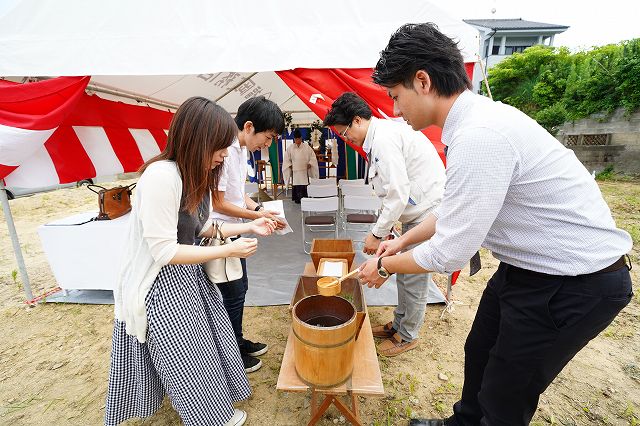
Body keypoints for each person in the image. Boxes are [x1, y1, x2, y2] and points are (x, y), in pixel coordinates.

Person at [358, 23, 633, 426]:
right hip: (527, 269)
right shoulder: (472, 125)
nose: (396, 110)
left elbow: (451, 251)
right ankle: (465, 421)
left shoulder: (480, 135)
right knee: (482, 349)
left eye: (396, 97)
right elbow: (454, 209)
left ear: (422, 81)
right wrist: (401, 244)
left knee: (508, 388)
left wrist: (383, 267)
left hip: (575, 281)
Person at [106, 97, 277, 426]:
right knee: (187, 358)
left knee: (204, 347)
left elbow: (199, 228)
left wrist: (248, 226)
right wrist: (228, 250)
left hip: (184, 277)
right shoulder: (161, 177)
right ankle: (210, 418)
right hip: (159, 286)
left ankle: (213, 410)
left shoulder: (189, 175)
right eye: (219, 147)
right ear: (197, 140)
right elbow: (165, 252)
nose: (224, 154)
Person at [323, 92, 446, 356]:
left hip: (426, 214)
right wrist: (388, 231)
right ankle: (400, 323)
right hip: (414, 213)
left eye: (345, 133)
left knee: (413, 276)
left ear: (357, 120)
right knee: (402, 272)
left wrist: (376, 235)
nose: (346, 139)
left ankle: (408, 334)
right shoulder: (379, 138)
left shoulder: (384, 140)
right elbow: (389, 192)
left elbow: (397, 194)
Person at [211, 96, 286, 373]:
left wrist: (260, 207)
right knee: (231, 293)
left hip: (235, 228)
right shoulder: (225, 150)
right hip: (221, 231)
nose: (266, 145)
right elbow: (218, 203)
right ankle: (232, 354)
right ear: (249, 126)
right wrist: (257, 217)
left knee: (240, 290)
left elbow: (237, 194)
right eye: (267, 138)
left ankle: (238, 342)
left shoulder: (241, 150)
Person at [282, 128, 319, 203]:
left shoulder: (307, 147)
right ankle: (297, 199)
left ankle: (305, 198)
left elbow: (313, 157)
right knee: (296, 184)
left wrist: (310, 163)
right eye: (296, 139)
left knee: (304, 184)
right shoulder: (290, 148)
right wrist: (289, 165)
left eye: (299, 139)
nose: (297, 141)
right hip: (295, 170)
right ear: (294, 139)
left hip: (304, 170)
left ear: (301, 138)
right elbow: (286, 159)